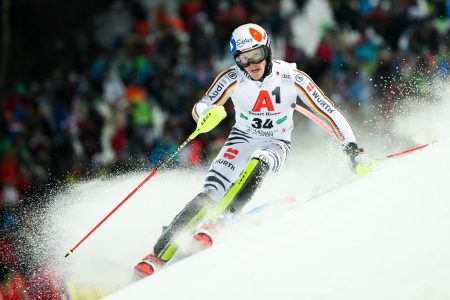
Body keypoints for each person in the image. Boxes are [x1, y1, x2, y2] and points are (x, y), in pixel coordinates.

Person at [134, 23, 374, 277]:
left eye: (256, 55)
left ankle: (219, 221)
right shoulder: (231, 78)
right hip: (241, 139)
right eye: (244, 59)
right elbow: (202, 105)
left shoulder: (292, 77)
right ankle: (157, 254)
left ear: (267, 50)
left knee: (261, 161)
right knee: (211, 193)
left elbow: (327, 110)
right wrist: (206, 115)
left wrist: (353, 149)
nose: (252, 65)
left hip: (275, 142)